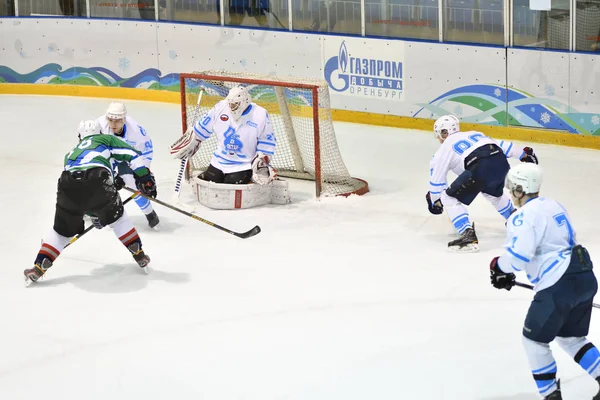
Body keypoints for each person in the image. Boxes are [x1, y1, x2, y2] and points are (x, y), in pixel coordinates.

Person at [489, 163, 600, 400]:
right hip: (583, 273)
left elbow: (518, 257)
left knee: (534, 341)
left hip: (558, 283)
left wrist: (498, 267)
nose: (509, 192)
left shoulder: (523, 216)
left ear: (519, 189)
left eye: (512, 188)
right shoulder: (553, 205)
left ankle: (551, 396)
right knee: (571, 339)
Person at [24, 120, 157, 284]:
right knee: (119, 220)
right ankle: (138, 253)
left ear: (80, 137)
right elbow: (132, 155)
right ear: (100, 133)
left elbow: (82, 189)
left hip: (67, 185)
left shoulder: (71, 153)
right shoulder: (105, 139)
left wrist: (92, 211)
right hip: (98, 180)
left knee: (61, 233)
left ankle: (39, 266)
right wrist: (144, 178)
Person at [425, 114, 539, 252]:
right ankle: (517, 221)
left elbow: (437, 181)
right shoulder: (474, 134)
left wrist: (435, 201)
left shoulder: (443, 150)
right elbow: (503, 145)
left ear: (443, 133)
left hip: (479, 166)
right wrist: (523, 154)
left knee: (448, 197)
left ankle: (468, 235)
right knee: (493, 193)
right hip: (500, 162)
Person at [170, 86, 277, 185]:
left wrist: (262, 159)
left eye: (234, 105)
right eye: (230, 104)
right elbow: (203, 127)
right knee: (210, 184)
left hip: (242, 165)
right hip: (218, 162)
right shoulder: (221, 107)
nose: (231, 107)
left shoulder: (260, 114)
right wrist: (194, 139)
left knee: (230, 186)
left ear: (244, 102)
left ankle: (248, 179)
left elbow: (267, 140)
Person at [96, 101, 159, 228]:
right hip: (107, 156)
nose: (113, 124)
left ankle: (150, 213)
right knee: (97, 181)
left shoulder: (135, 131)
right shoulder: (99, 127)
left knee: (132, 181)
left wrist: (144, 173)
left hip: (128, 156)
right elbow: (95, 154)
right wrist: (112, 175)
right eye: (110, 120)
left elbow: (147, 150)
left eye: (117, 120)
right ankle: (92, 210)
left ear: (124, 119)